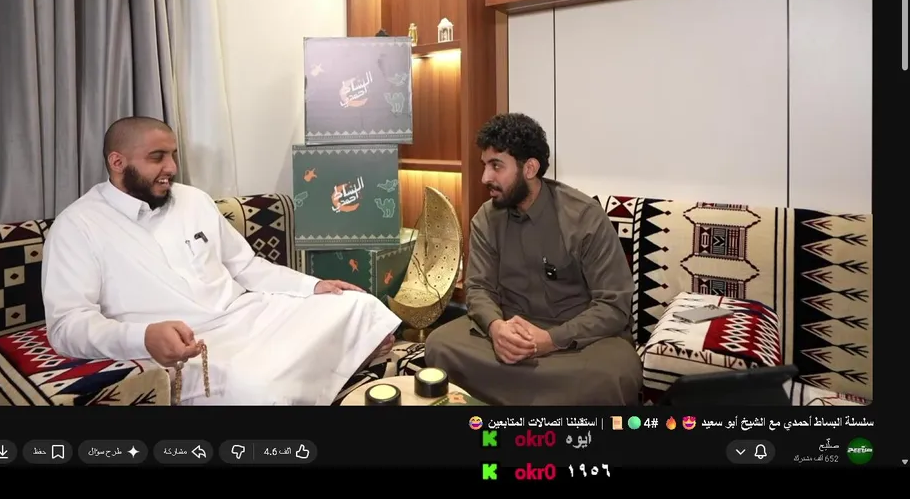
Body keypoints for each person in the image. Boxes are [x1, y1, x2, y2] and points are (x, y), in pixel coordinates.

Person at [42, 117, 401, 406]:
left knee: (359, 305)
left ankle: (325, 363)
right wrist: (143, 337)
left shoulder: (193, 200)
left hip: (248, 313)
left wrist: (313, 286)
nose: (171, 167)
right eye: (157, 157)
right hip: (192, 344)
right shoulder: (78, 226)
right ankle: (337, 361)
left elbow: (245, 266)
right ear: (117, 162)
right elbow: (66, 327)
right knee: (257, 388)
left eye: (173, 155)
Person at [424, 113, 642, 405]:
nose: (485, 178)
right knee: (440, 345)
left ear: (529, 168)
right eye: (484, 165)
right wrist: (496, 328)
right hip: (508, 331)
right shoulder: (486, 218)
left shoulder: (584, 217)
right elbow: (479, 288)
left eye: (496, 166)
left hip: (575, 340)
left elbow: (613, 305)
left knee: (613, 375)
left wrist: (551, 340)